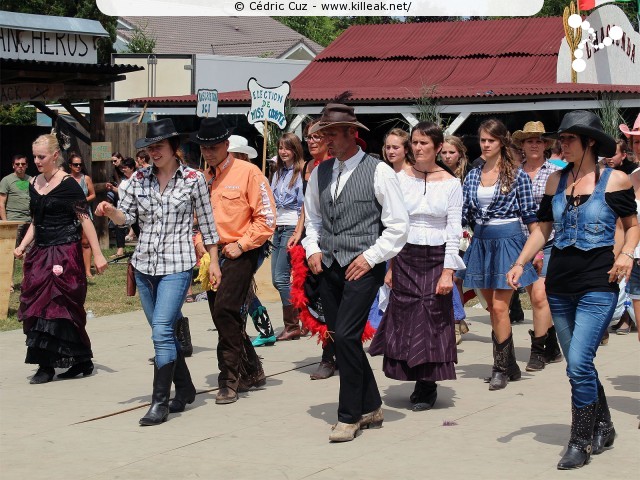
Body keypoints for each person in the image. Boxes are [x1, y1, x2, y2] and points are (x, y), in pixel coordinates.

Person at [506, 110, 639, 470]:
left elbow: (632, 225)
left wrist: (626, 253)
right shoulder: (554, 182)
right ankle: (605, 426)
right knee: (581, 364)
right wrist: (520, 262)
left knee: (578, 363)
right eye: (560, 139)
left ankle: (579, 440)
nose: (561, 144)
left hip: (599, 282)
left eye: (568, 139)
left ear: (589, 142)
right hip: (560, 284)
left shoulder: (616, 181)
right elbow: (542, 229)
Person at [96, 119, 220, 425]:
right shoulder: (139, 179)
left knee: (162, 330)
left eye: (159, 146)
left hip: (177, 266)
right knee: (161, 331)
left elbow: (207, 224)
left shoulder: (194, 179)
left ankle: (159, 402)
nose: (154, 152)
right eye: (150, 147)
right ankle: (186, 387)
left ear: (174, 147)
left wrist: (214, 261)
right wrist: (112, 213)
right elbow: (125, 219)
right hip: (144, 265)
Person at [302, 103, 408, 442]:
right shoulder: (320, 172)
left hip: (364, 266)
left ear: (352, 133)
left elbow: (398, 227)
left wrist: (372, 257)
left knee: (346, 337)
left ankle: (349, 416)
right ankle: (373, 403)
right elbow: (313, 220)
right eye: (324, 134)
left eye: (332, 133)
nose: (327, 140)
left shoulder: (379, 171)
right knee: (341, 338)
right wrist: (313, 248)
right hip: (330, 265)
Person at [369, 121, 464, 411]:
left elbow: (454, 229)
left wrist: (449, 271)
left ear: (437, 147)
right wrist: (390, 266)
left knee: (433, 315)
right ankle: (410, 373)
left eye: (425, 143)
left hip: (436, 257)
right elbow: (391, 223)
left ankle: (428, 383)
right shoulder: (398, 178)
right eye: (415, 142)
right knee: (407, 316)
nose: (419, 148)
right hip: (405, 256)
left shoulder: (451, 183)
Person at [191, 117, 275, 405]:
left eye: (214, 147)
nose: (209, 152)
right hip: (212, 253)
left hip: (243, 249)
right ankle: (251, 368)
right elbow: (196, 220)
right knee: (221, 313)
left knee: (226, 308)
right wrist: (200, 244)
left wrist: (241, 245)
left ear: (227, 145)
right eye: (204, 147)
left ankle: (229, 379)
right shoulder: (202, 179)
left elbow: (267, 218)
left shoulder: (249, 173)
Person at [14, 134, 108, 384]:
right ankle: (81, 361)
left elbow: (85, 219)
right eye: (34, 156)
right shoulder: (34, 183)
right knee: (38, 307)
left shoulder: (68, 185)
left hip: (64, 251)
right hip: (40, 251)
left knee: (58, 308)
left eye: (41, 156)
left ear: (55, 156)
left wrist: (98, 254)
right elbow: (36, 221)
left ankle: (48, 366)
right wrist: (23, 245)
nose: (36, 161)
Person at [457, 118, 539, 391]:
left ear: (502, 142)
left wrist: (532, 254)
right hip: (481, 241)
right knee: (493, 308)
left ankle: (500, 367)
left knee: (502, 307)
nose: (486, 144)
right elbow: (464, 215)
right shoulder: (472, 176)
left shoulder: (517, 176)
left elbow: (531, 219)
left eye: (491, 140)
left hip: (509, 241)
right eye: (482, 140)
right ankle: (511, 364)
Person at [511, 121, 563, 372]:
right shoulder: (513, 173)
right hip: (519, 243)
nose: (534, 144)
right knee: (535, 296)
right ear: (521, 145)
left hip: (549, 241)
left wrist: (540, 248)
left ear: (546, 145)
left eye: (539, 140)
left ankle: (538, 351)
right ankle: (552, 344)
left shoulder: (556, 173)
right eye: (529, 140)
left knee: (540, 296)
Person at [288, 120, 338, 380]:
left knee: (329, 297)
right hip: (311, 236)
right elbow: (308, 206)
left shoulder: (333, 165)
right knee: (312, 295)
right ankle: (333, 350)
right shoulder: (308, 166)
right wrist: (299, 231)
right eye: (308, 137)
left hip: (331, 238)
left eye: (317, 137)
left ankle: (329, 356)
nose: (312, 141)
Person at [225, 134, 275, 347]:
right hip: (229, 247)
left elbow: (265, 217)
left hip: (249, 245)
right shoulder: (220, 178)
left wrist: (243, 243)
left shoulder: (254, 176)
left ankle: (244, 334)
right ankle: (264, 328)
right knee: (243, 288)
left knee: (240, 289)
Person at [271, 133, 305, 341]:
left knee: (281, 278)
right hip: (277, 225)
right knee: (277, 280)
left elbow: (304, 205)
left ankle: (292, 325)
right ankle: (301, 316)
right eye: (281, 148)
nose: (283, 152)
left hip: (292, 224)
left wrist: (298, 231)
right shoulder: (278, 172)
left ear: (295, 149)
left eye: (287, 148)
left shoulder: (301, 172)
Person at [441, 135, 471, 344]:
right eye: (444, 152)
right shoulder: (436, 173)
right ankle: (457, 319)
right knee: (453, 280)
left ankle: (456, 318)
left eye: (452, 152)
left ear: (460, 153)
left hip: (463, 233)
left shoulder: (467, 176)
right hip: (442, 231)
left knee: (455, 278)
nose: (447, 156)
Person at [67, 153, 98, 276]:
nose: (78, 166)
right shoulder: (66, 178)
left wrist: (83, 200)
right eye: (75, 164)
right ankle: (73, 269)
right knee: (70, 242)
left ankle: (87, 270)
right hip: (69, 213)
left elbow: (93, 194)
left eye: (80, 164)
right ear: (70, 165)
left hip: (84, 212)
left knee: (85, 242)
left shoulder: (86, 179)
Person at [0, 154, 32, 246]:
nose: (20, 166)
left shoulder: (31, 179)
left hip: (29, 220)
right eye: (17, 164)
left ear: (27, 165)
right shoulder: (6, 180)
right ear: (13, 165)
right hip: (13, 220)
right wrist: (5, 223)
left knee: (30, 250)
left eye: (23, 164)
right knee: (10, 249)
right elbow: (1, 203)